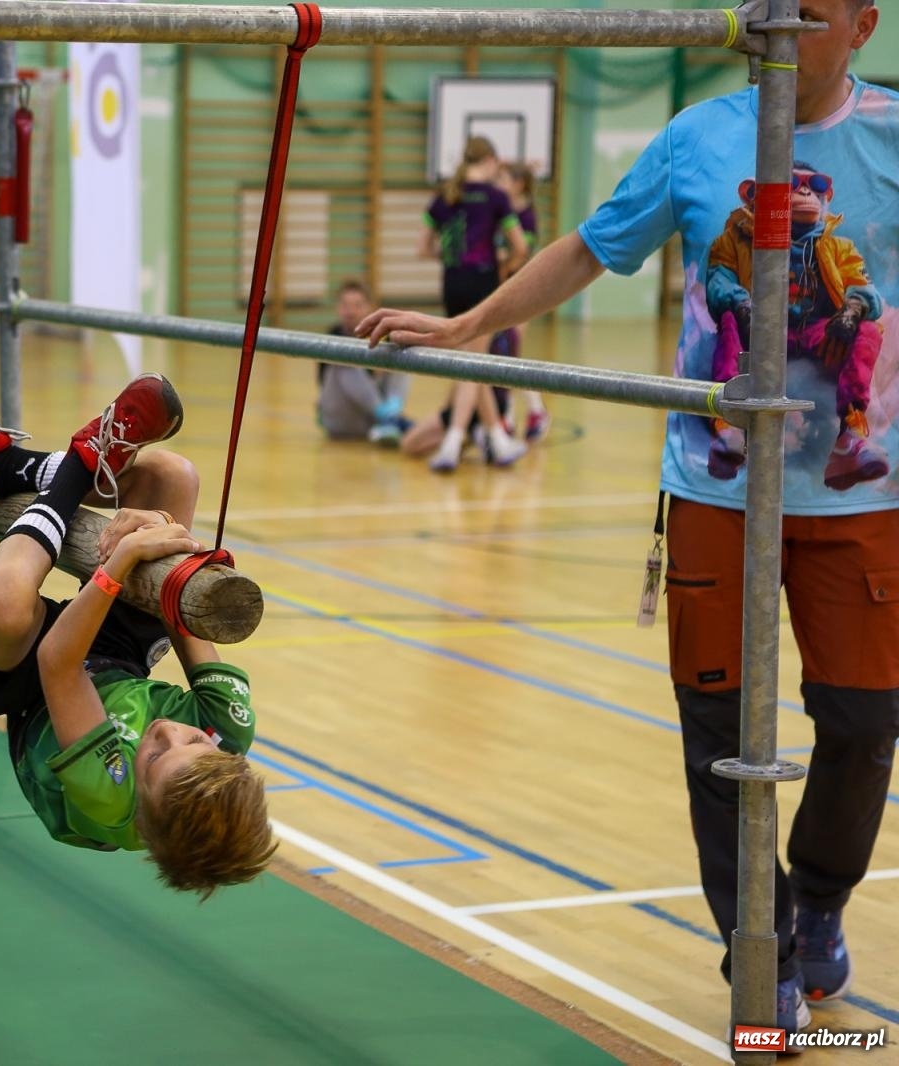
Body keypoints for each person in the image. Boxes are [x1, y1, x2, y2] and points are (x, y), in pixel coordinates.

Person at [358, 0, 891, 1036]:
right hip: (712, 486)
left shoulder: (891, 136)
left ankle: (818, 898)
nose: (774, 28)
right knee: (716, 740)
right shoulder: (694, 137)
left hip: (857, 490)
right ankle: (760, 949)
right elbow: (591, 247)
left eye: (809, 14)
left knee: (865, 727)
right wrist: (470, 326)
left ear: (863, 24)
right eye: (764, 9)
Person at [0, 347, 276, 896]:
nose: (167, 734)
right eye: (192, 743)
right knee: (171, 475)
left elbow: (57, 662)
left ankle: (82, 461)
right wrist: (163, 537)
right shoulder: (228, 729)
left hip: (39, 695)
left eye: (155, 758)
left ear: (144, 813)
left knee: (2, 607)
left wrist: (124, 560)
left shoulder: (108, 791)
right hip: (123, 667)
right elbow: (185, 619)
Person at [417, 136, 531, 473]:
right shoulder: (497, 198)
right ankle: (453, 443)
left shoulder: (444, 196)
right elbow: (521, 247)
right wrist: (504, 265)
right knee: (473, 364)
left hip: (452, 284)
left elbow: (422, 248)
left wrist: (452, 258)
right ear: (492, 160)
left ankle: (497, 439)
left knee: (470, 362)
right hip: (483, 284)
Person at [493, 161, 550, 441]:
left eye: (503, 178)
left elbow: (521, 254)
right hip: (501, 289)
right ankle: (508, 415)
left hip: (522, 291)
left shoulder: (526, 216)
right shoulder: (499, 211)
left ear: (518, 184)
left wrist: (502, 263)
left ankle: (533, 410)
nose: (497, 182)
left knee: (511, 352)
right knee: (501, 354)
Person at [317, 280, 413, 445]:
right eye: (345, 305)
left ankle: (391, 415)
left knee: (401, 353)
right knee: (343, 357)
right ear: (337, 308)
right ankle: (389, 418)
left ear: (370, 308)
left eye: (357, 305)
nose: (350, 311)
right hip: (342, 419)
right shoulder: (334, 335)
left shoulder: (382, 337)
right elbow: (323, 383)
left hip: (368, 420)